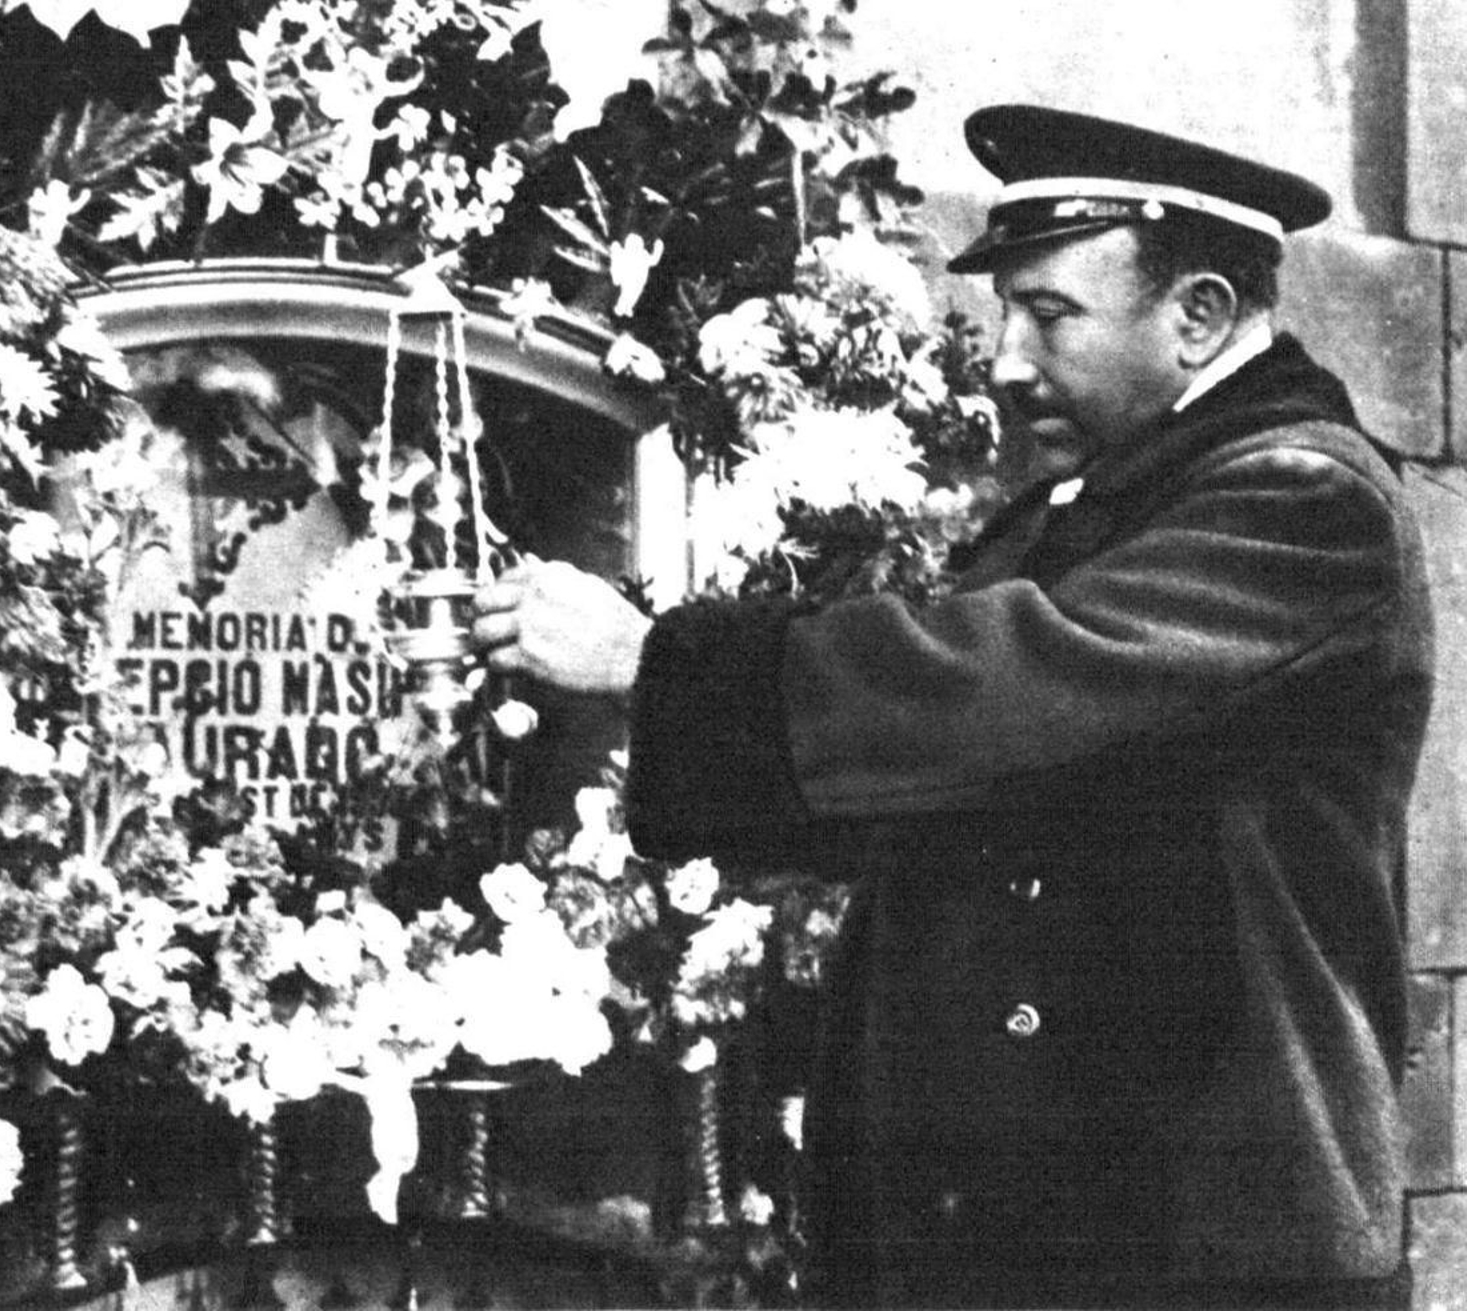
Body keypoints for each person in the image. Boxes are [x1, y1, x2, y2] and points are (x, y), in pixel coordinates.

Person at [470, 104, 1435, 1309]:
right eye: (1003, 313)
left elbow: (1009, 684)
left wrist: (661, 663)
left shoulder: (1302, 497)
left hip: (1204, 1238)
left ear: (1196, 315)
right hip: (1047, 1227)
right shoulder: (1096, 504)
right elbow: (954, 790)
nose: (1006, 360)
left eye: (1050, 313)